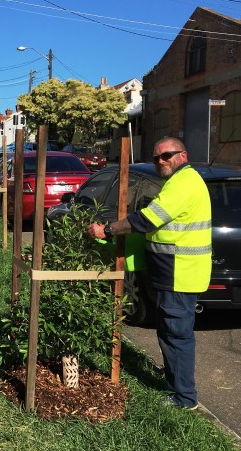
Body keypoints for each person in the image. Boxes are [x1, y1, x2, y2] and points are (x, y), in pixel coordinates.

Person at [87, 137, 212, 409]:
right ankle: (174, 380)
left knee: (176, 334)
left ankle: (184, 397)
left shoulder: (183, 184)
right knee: (170, 332)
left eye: (166, 155)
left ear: (183, 155)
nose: (161, 161)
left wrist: (106, 230)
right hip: (176, 273)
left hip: (180, 274)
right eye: (157, 158)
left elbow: (146, 219)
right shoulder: (180, 182)